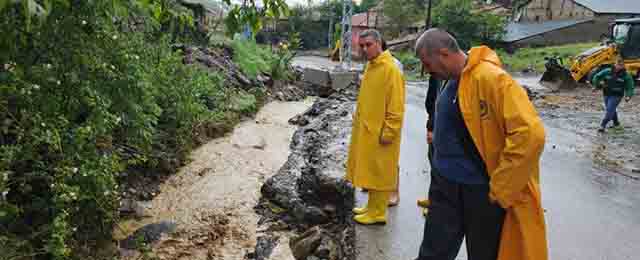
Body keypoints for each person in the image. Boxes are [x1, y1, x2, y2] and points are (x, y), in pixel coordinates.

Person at [414, 28, 547, 260]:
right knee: (432, 252)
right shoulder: (447, 81)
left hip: (480, 191)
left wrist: (502, 188)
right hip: (445, 187)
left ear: (444, 54)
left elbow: (530, 134)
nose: (426, 70)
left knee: (484, 254)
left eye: (427, 63)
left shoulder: (492, 79)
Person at [346, 29, 406, 225]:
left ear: (379, 44)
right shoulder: (372, 66)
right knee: (372, 171)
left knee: (380, 173)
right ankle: (371, 207)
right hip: (368, 130)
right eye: (361, 46)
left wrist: (389, 132)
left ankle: (378, 212)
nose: (364, 49)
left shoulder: (391, 69)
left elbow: (396, 106)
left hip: (382, 132)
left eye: (368, 45)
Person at [416, 74, 442, 216]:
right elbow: (432, 100)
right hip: (434, 121)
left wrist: (432, 127)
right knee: (433, 161)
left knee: (439, 167)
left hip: (440, 127)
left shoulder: (450, 74)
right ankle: (433, 198)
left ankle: (437, 204)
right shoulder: (437, 75)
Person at [592, 58, 635, 133]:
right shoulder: (607, 71)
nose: (619, 66)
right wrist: (596, 85)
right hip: (606, 93)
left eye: (621, 65)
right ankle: (616, 123)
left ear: (623, 66)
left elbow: (630, 87)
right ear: (615, 64)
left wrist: (628, 95)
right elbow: (597, 77)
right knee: (611, 109)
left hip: (617, 95)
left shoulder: (626, 75)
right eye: (618, 64)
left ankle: (602, 125)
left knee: (610, 110)